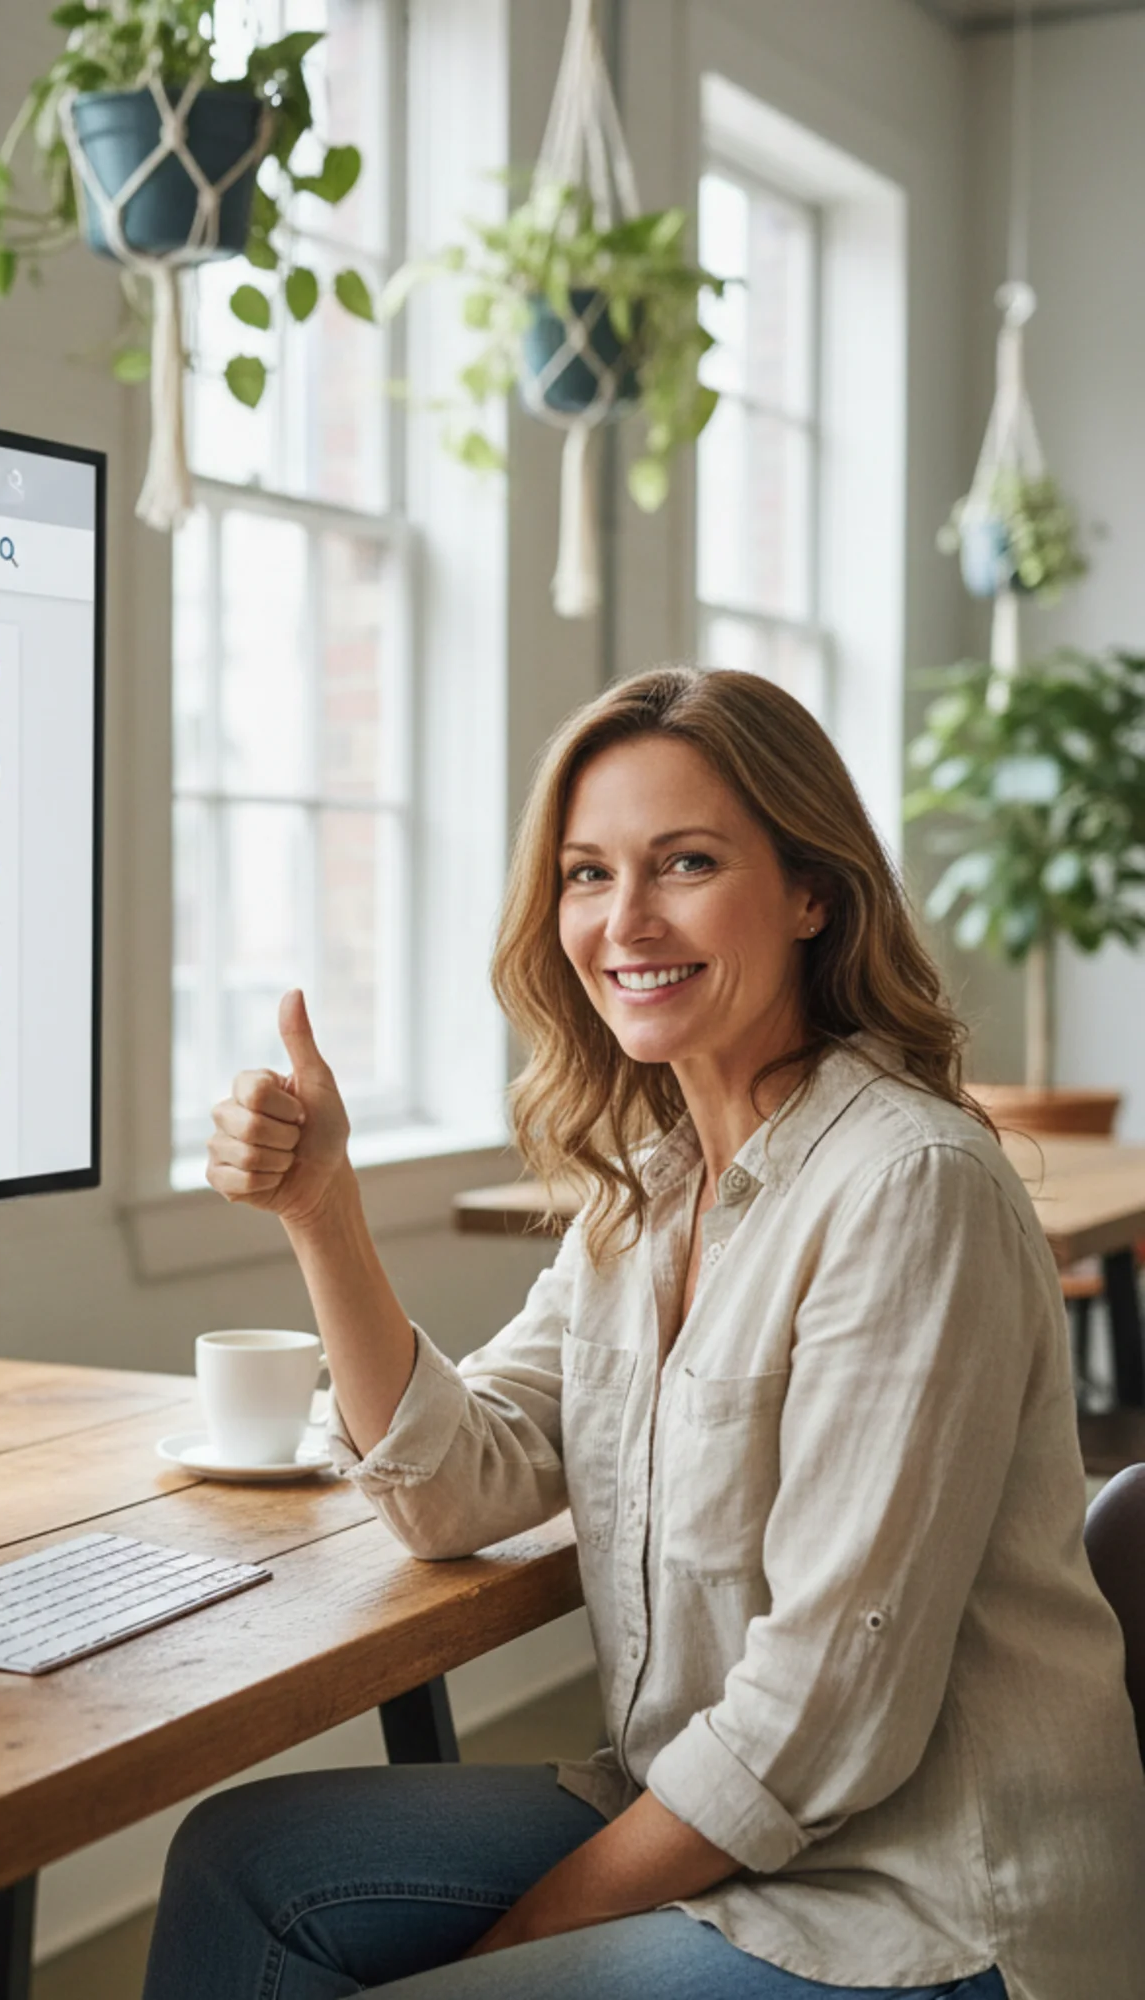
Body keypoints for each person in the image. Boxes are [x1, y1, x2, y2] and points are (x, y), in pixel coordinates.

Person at [141, 668, 1145, 1999]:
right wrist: (323, 1211)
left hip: (928, 1906)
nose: (625, 921)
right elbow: (458, 1485)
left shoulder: (910, 1188)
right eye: (585, 874)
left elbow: (822, 1720)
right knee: (242, 1861)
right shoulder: (650, 1193)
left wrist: (516, 1944)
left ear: (810, 892)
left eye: (683, 863)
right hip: (714, 1816)